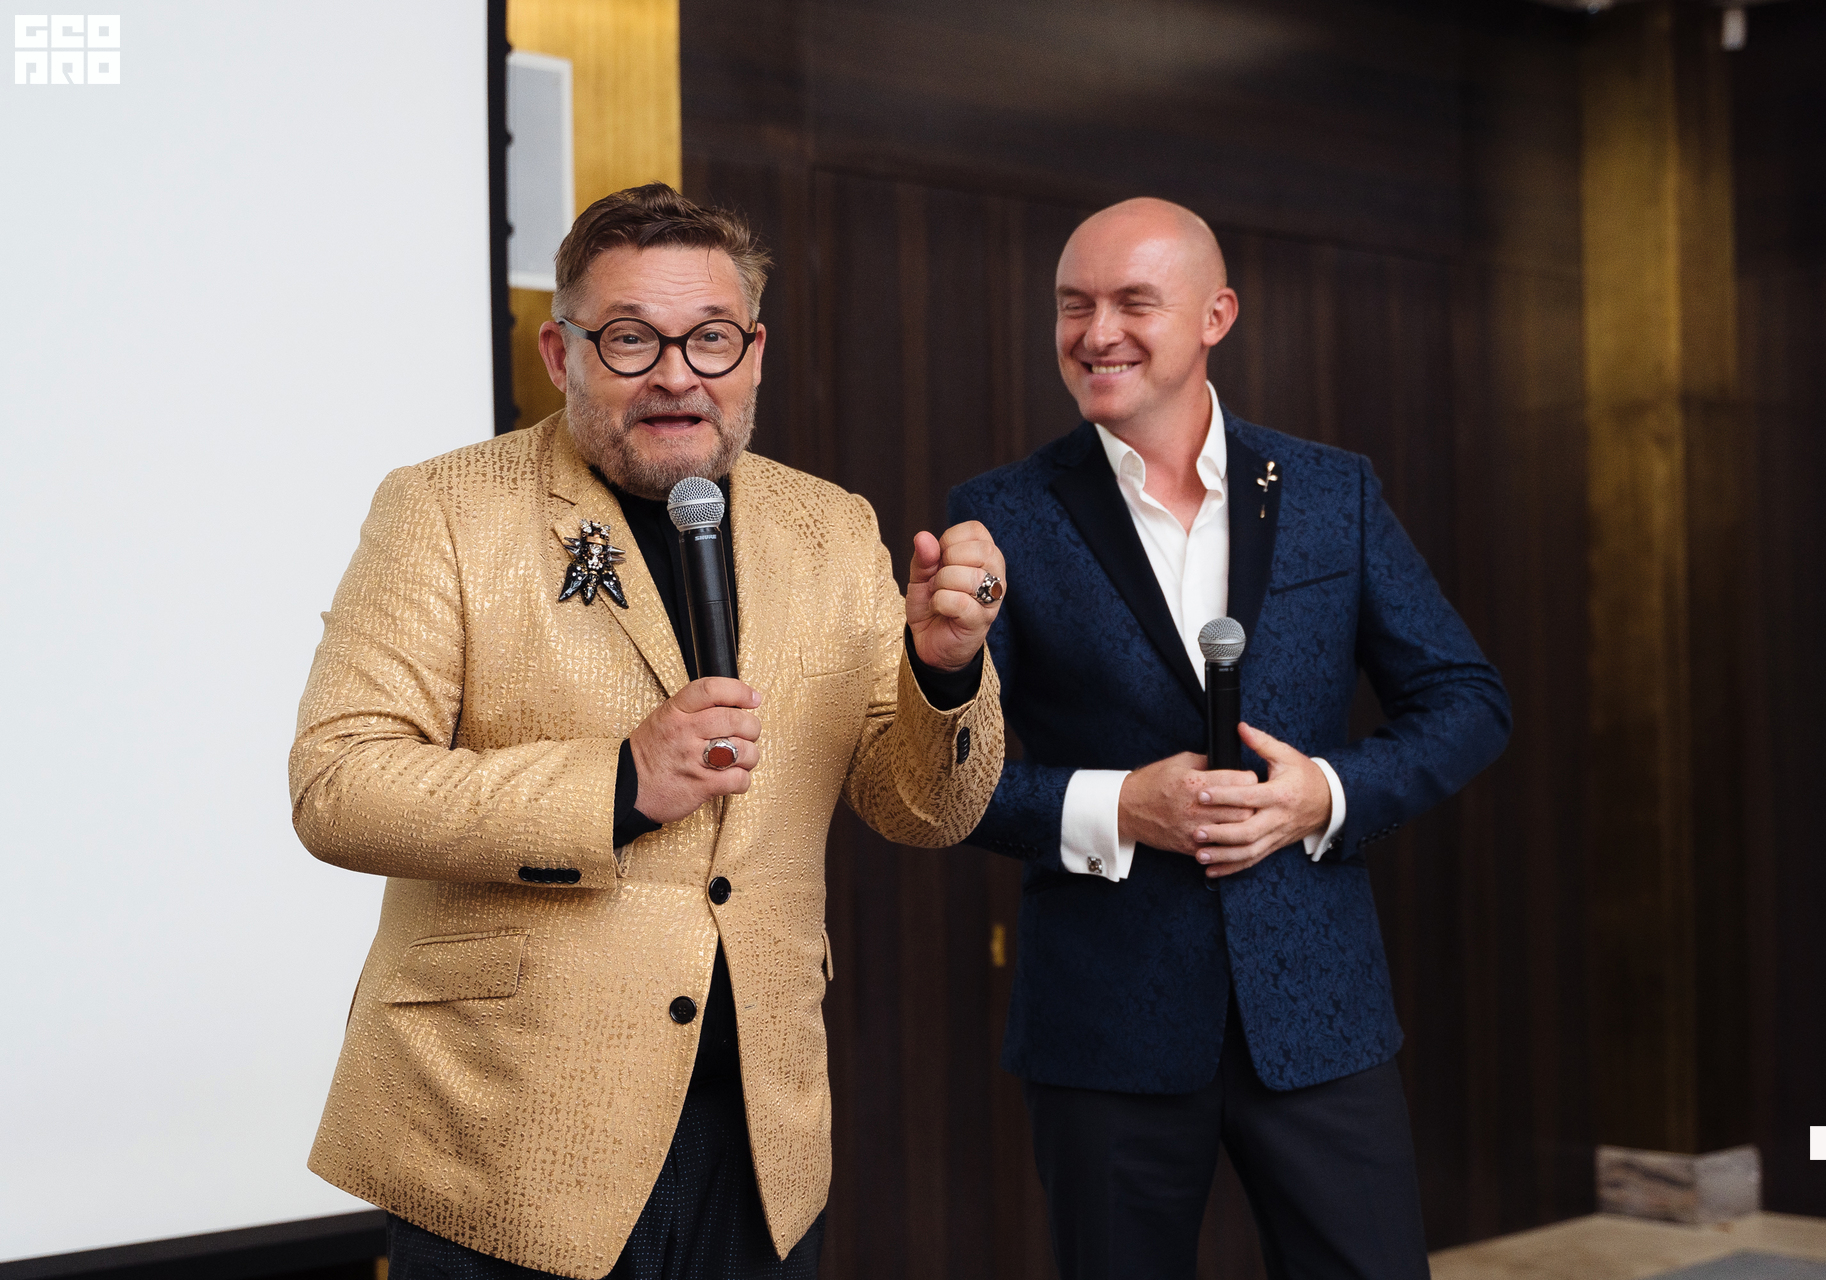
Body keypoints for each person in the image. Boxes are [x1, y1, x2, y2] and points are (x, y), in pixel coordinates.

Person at [290, 184, 1007, 1280]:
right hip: (504, 1137)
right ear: (561, 352)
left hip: (760, 1137)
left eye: (711, 338)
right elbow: (339, 784)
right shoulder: (444, 508)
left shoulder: (831, 526)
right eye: (631, 339)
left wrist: (944, 673)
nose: (678, 374)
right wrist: (617, 782)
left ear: (755, 352)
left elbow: (922, 810)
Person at [949, 198, 1511, 1280]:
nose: (1096, 333)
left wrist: (1325, 795)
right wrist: (1119, 805)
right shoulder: (999, 514)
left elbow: (1467, 699)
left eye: (1133, 303)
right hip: (1104, 1025)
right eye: (1073, 305)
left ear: (1217, 316)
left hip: (1321, 1013)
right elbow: (943, 775)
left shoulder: (1332, 492)